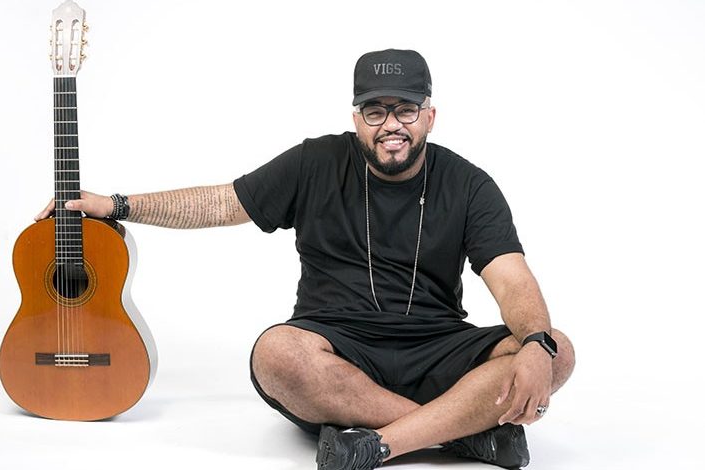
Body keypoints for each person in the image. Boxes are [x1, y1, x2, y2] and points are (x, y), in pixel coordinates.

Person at [37, 49, 575, 470]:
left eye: (406, 110)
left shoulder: (470, 184)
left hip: (436, 346)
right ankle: (461, 437)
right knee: (277, 354)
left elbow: (511, 279)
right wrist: (119, 205)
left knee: (557, 349)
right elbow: (222, 202)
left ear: (429, 116)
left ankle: (379, 444)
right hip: (336, 350)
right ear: (357, 118)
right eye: (376, 111)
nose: (391, 125)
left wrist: (535, 344)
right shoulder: (315, 162)